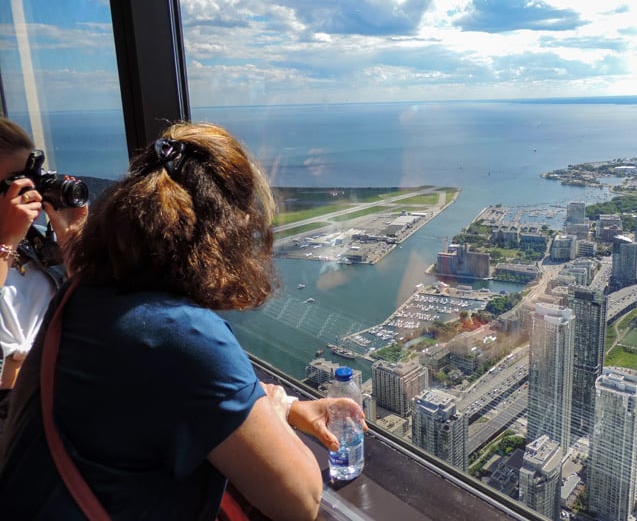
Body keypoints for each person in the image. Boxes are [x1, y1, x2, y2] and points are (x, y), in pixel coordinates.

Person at [0, 122, 366, 520]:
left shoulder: (86, 296)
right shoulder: (181, 332)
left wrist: (290, 405)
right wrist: (275, 416)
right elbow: (301, 501)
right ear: (226, 231)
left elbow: (167, 385)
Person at [0, 116, 87, 391]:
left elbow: (92, 309)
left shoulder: (35, 242)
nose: (29, 194)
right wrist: (6, 241)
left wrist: (72, 239)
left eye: (32, 181)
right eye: (15, 183)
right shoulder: (14, 239)